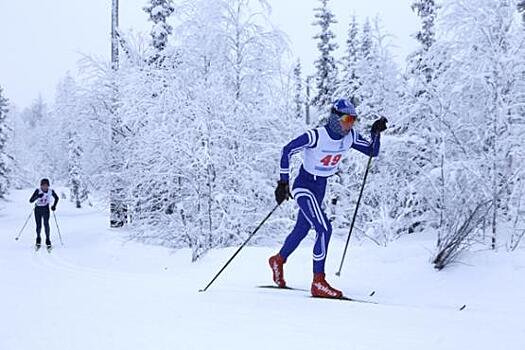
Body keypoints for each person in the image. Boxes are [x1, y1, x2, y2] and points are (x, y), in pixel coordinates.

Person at [269, 99, 387, 298]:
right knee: (324, 228)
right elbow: (287, 150)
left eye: (354, 120)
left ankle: (278, 260)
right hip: (304, 186)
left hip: (320, 187)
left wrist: (375, 133)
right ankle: (319, 281)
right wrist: (283, 182)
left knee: (302, 228)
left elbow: (372, 152)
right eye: (347, 119)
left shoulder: (350, 137)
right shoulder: (316, 136)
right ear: (335, 118)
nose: (351, 124)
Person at [29, 178, 59, 249]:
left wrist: (54, 206)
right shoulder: (37, 191)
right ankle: (38, 239)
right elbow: (31, 200)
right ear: (41, 186)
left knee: (46, 224)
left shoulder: (51, 191)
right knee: (38, 225)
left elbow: (57, 198)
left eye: (46, 185)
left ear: (48, 186)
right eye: (43, 185)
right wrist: (37, 196)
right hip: (38, 209)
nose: (44, 187)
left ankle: (48, 240)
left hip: (45, 209)